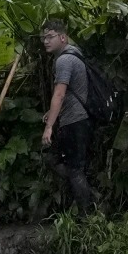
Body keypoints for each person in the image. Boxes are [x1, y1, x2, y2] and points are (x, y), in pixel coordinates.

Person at [39, 20, 95, 212]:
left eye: (50, 36)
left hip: (74, 121)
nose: (46, 41)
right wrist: (52, 113)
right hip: (80, 119)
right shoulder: (76, 54)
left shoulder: (64, 60)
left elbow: (60, 93)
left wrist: (49, 127)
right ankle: (90, 201)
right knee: (70, 166)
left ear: (62, 37)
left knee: (73, 169)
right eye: (43, 37)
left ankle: (88, 213)